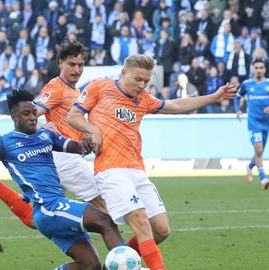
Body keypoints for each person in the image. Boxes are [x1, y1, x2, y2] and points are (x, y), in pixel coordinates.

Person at [66, 54, 238, 270]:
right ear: (123, 73)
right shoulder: (99, 87)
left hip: (137, 170)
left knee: (161, 230)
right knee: (140, 221)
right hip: (110, 170)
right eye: (138, 79)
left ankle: (121, 265)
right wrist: (93, 130)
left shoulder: (144, 99)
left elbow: (175, 105)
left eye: (146, 81)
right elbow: (73, 116)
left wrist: (213, 97)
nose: (142, 85)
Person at [0, 90, 125, 270]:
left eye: (34, 112)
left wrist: (86, 143)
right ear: (14, 117)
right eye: (26, 114)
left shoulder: (45, 135)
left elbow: (76, 147)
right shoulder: (4, 143)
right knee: (105, 221)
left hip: (55, 208)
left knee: (91, 266)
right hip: (48, 208)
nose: (33, 117)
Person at [0, 40, 106, 230]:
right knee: (105, 208)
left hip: (60, 158)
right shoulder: (56, 87)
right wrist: (43, 127)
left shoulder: (74, 90)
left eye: (80, 65)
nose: (77, 70)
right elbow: (31, 112)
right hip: (65, 158)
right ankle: (123, 254)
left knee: (38, 219)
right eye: (72, 64)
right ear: (60, 64)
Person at [234, 59, 269, 190]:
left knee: (259, 153)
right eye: (256, 67)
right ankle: (263, 179)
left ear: (265, 70)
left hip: (266, 123)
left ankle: (249, 167)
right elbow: (237, 97)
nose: (259, 70)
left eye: (261, 67)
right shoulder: (247, 84)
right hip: (253, 123)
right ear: (253, 69)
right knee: (259, 150)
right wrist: (238, 110)